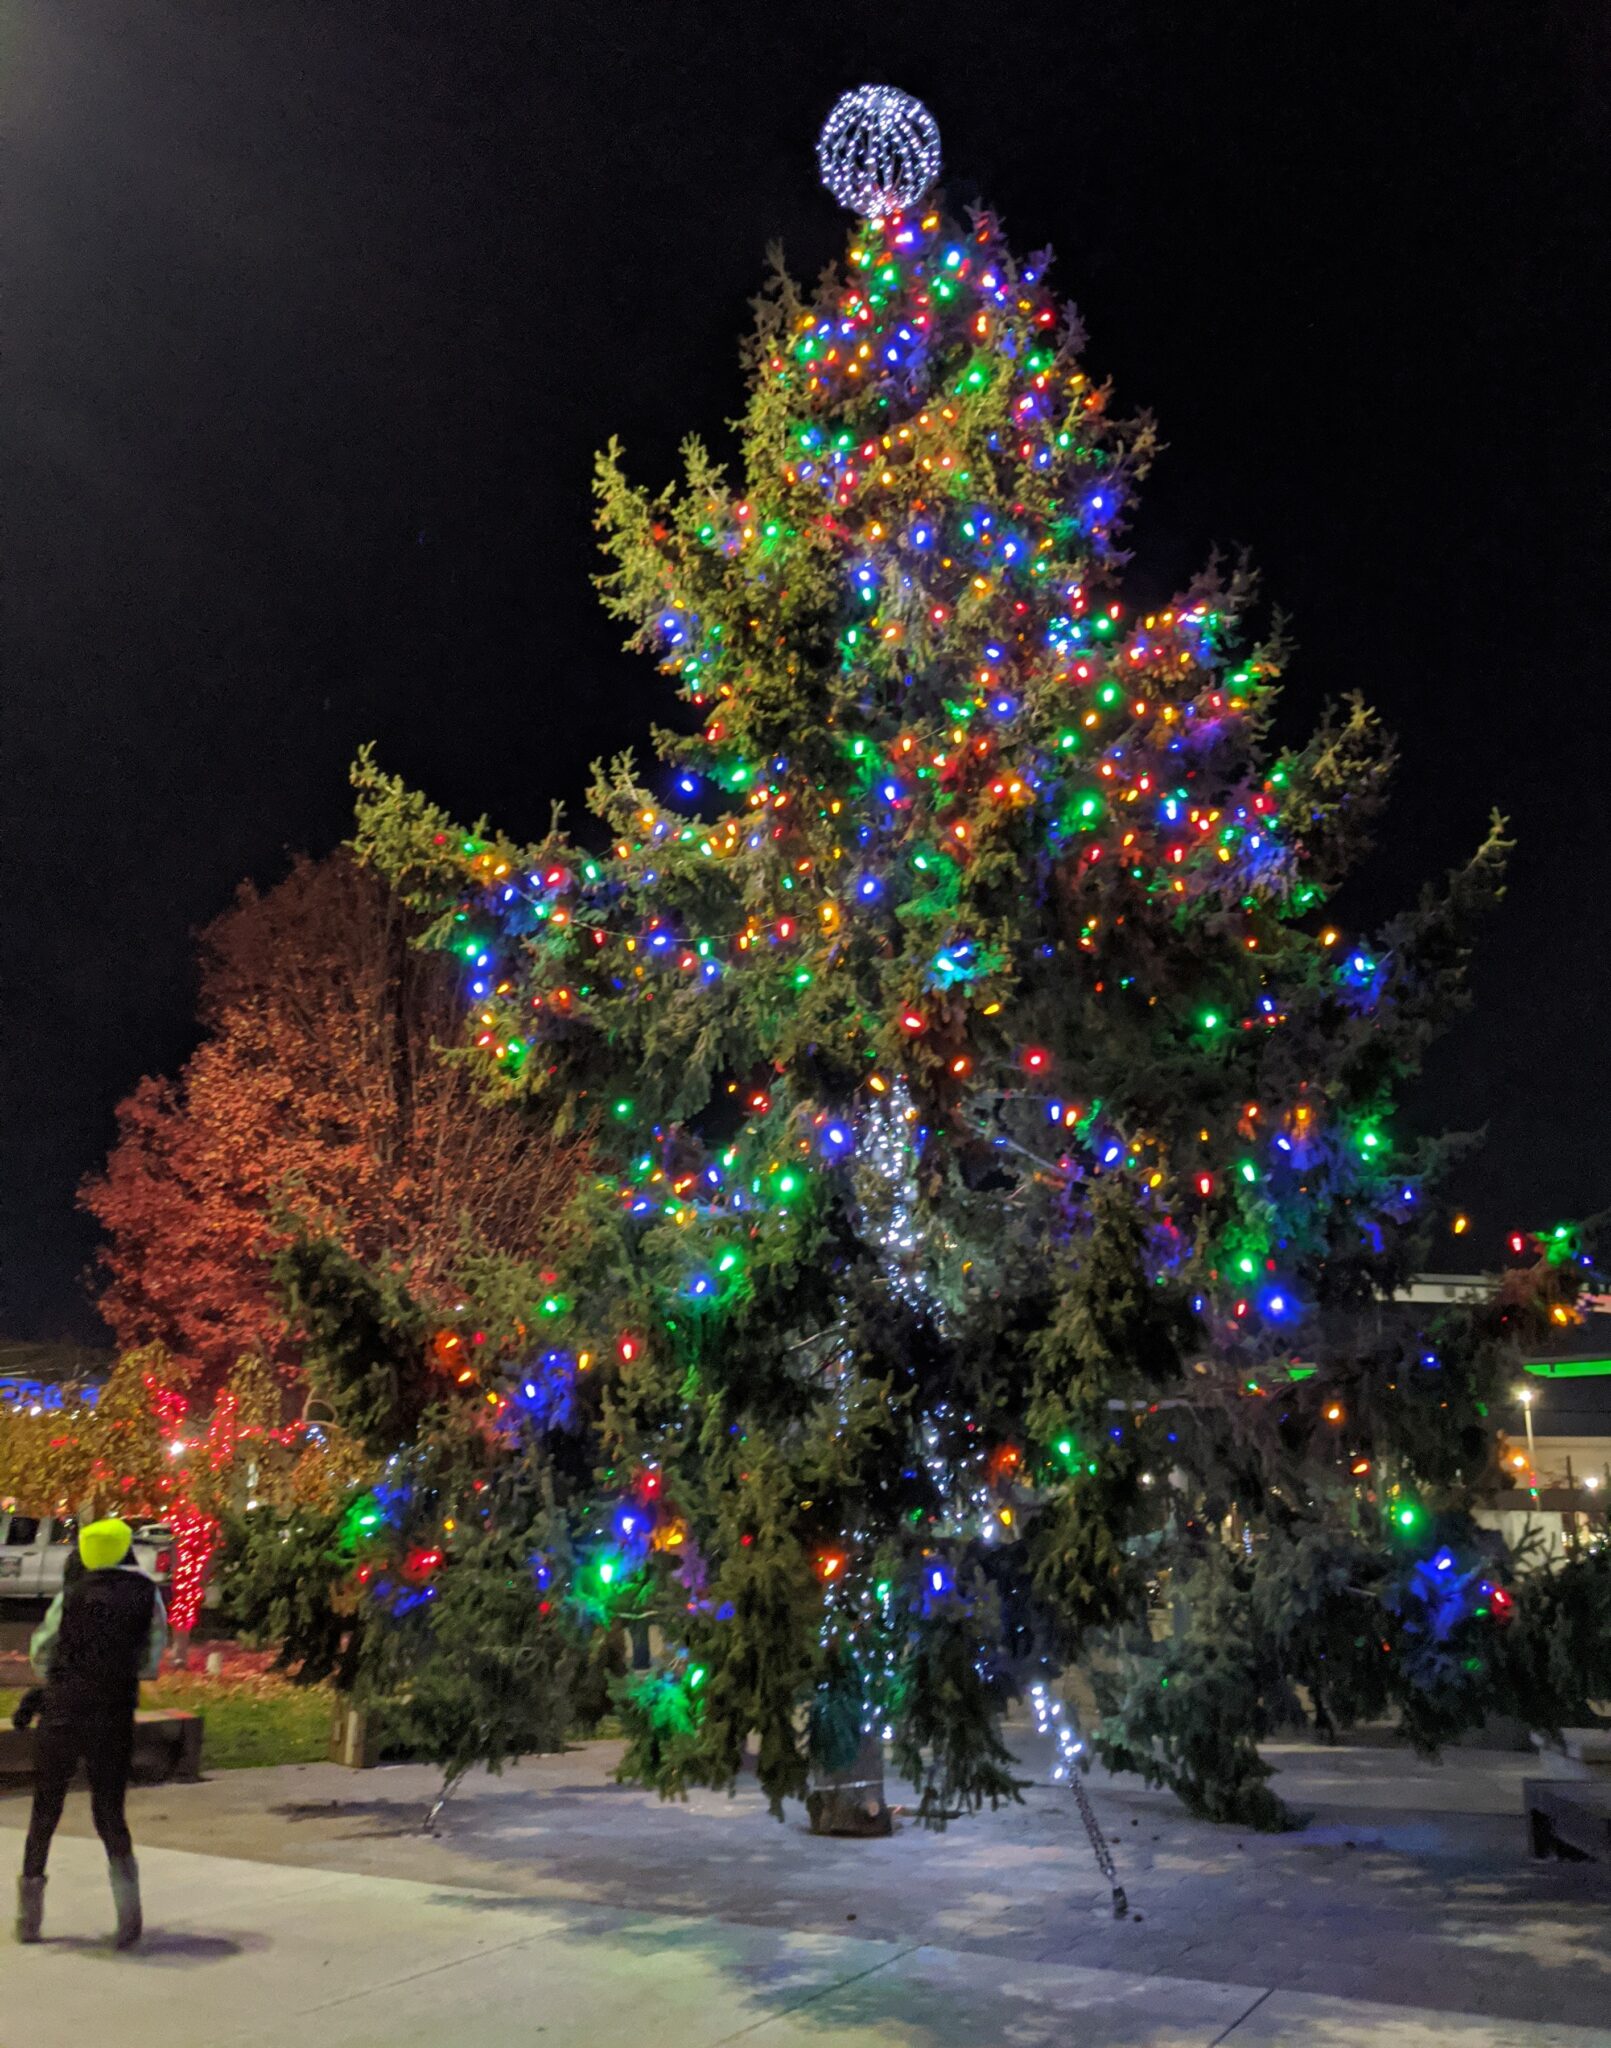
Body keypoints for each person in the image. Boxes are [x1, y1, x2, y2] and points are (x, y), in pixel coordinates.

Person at [13, 1518, 167, 1947]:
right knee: (110, 1815)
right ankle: (129, 1921)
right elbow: (153, 1654)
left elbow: (42, 1649)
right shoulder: (146, 1593)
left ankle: (29, 1920)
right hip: (113, 1714)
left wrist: (59, 1677)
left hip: (63, 1710)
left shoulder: (72, 1594)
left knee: (45, 1812)